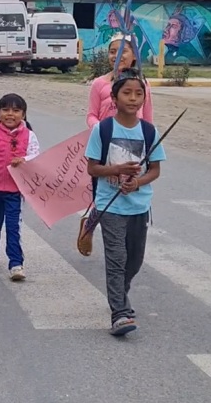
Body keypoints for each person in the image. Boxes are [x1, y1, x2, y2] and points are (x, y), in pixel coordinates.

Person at [85, 70, 165, 337]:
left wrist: (137, 182)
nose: (133, 98)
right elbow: (93, 169)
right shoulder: (103, 129)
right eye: (127, 93)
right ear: (114, 98)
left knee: (134, 260)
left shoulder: (150, 131)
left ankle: (121, 291)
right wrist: (116, 170)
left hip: (139, 207)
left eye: (139, 93)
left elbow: (154, 170)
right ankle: (119, 313)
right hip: (111, 206)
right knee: (116, 259)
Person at [0, 93, 39, 281]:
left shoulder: (29, 135)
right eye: (5, 110)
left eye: (16, 110)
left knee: (13, 227)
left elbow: (36, 157)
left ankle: (16, 263)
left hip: (15, 191)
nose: (10, 114)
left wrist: (24, 160)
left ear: (23, 114)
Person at [86, 33, 153, 128]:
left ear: (134, 55)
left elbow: (147, 119)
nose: (117, 55)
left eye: (123, 51)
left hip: (133, 139)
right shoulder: (99, 83)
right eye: (112, 52)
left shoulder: (142, 83)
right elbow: (91, 116)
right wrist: (101, 129)